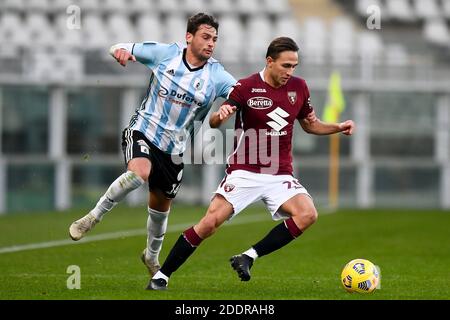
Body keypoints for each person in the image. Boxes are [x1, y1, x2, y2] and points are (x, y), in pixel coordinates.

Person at [147, 37, 355, 290]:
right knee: (210, 223)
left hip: (279, 173)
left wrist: (337, 127)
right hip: (244, 171)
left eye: (294, 66)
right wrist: (218, 116)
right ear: (269, 61)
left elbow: (311, 124)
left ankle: (248, 257)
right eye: (286, 65)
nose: (290, 72)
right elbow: (214, 122)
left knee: (308, 214)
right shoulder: (245, 86)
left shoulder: (300, 88)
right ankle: (162, 275)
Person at [68, 13, 236, 277]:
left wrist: (229, 106)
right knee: (139, 173)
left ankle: (151, 256)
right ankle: (93, 216)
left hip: (175, 150)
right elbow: (118, 46)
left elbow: (240, 94)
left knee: (160, 209)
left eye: (214, 38)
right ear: (189, 37)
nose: (211, 43)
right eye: (205, 37)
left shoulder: (216, 75)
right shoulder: (165, 54)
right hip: (143, 131)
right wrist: (119, 53)